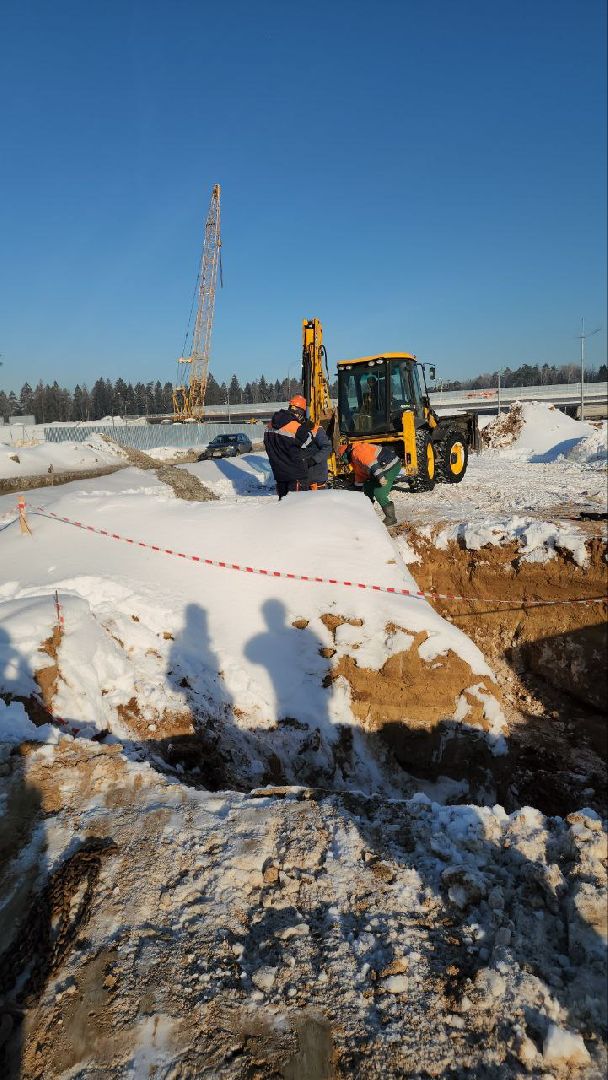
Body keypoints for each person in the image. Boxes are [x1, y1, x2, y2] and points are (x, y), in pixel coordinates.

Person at [338, 440, 401, 526]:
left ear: (345, 453)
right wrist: (358, 494)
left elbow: (372, 464)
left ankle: (391, 518)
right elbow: (360, 476)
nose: (342, 461)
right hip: (380, 470)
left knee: (379, 493)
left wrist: (381, 478)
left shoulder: (358, 450)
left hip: (391, 466)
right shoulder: (354, 460)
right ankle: (367, 516)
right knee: (367, 490)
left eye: (341, 457)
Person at [264, 394, 314, 499]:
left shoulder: (269, 426)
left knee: (284, 506)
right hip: (296, 475)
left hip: (279, 474)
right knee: (298, 506)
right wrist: (306, 427)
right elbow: (309, 442)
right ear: (300, 412)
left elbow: (268, 445)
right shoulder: (296, 427)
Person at [307, 422, 332, 490]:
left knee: (319, 499)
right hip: (304, 476)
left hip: (317, 476)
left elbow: (327, 447)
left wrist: (314, 459)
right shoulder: (294, 429)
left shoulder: (317, 430)